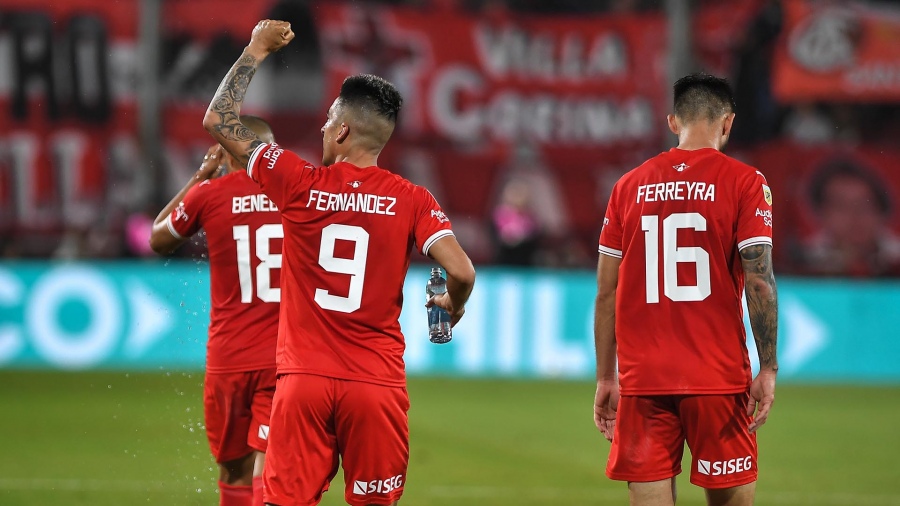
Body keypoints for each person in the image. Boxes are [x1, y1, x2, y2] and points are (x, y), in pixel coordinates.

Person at [202, 20, 476, 506]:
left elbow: (219, 121)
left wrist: (254, 50)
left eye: (329, 121)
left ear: (343, 130)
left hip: (302, 384)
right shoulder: (411, 198)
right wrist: (450, 306)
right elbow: (461, 271)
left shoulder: (298, 181)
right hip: (376, 387)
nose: (325, 129)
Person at [593, 73, 779, 506]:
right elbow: (759, 280)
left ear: (673, 122)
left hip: (642, 381)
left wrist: (607, 375)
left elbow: (606, 292)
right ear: (728, 123)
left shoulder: (627, 186)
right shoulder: (746, 181)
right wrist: (767, 367)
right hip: (715, 377)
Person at [149, 116, 280, 506]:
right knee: (269, 469)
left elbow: (157, 238)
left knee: (233, 472)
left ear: (226, 152)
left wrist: (199, 177)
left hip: (229, 359)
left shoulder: (209, 195)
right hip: (282, 358)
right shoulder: (299, 194)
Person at [801, 159, 900, 276]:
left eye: (865, 204)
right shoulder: (802, 261)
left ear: (881, 210)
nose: (855, 216)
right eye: (841, 206)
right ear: (821, 213)